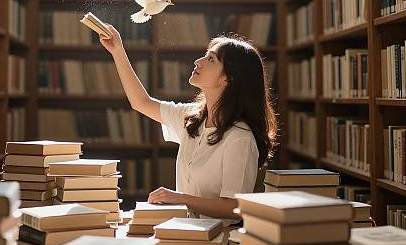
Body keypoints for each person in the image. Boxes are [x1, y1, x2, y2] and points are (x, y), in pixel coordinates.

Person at [100, 26, 278, 221]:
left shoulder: (240, 138)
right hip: (185, 231)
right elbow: (141, 102)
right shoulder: (191, 117)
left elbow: (233, 207)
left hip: (220, 241)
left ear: (227, 79)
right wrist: (117, 50)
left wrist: (180, 198)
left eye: (211, 59)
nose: (198, 62)